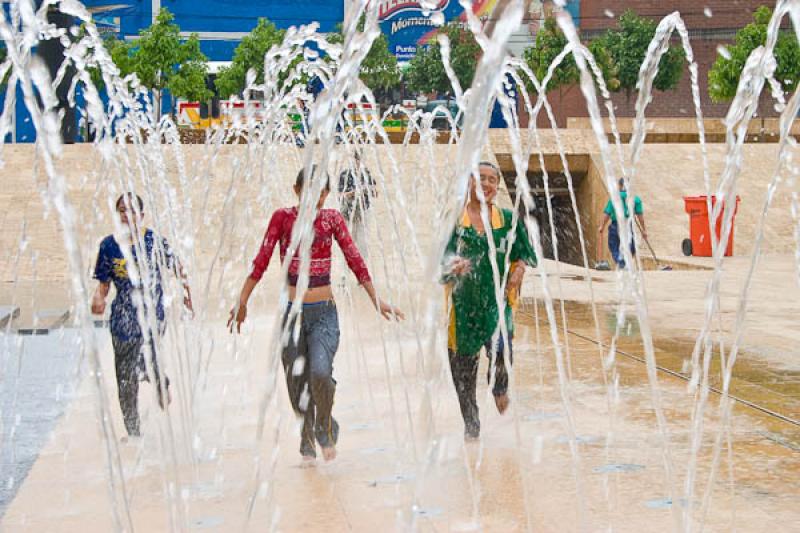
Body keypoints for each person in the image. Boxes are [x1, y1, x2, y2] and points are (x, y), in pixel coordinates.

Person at [227, 168, 404, 463]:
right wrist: (242, 300)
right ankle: (306, 434)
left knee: (320, 373)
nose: (316, 196)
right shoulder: (282, 218)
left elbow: (354, 257)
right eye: (309, 189)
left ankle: (324, 425)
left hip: (324, 314)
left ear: (326, 194)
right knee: (297, 384)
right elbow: (261, 259)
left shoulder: (332, 219)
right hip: (292, 316)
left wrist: (377, 300)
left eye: (321, 191)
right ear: (296, 190)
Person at [442, 162, 537, 440]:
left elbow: (523, 253)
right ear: (469, 182)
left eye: (492, 180)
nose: (486, 184)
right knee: (463, 377)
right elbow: (438, 262)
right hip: (461, 309)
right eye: (480, 178)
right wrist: (451, 266)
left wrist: (518, 271)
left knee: (503, 348)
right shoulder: (454, 222)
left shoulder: (508, 219)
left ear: (497, 186)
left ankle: (499, 387)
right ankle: (472, 428)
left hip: (496, 304)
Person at [91, 193, 193, 439]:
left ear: (141, 215)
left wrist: (187, 294)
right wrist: (99, 298)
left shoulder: (153, 241)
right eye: (122, 211)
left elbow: (178, 268)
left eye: (132, 210)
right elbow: (104, 283)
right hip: (122, 321)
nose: (127, 215)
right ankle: (134, 433)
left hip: (152, 317)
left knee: (147, 358)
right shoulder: (108, 246)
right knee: (125, 381)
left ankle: (160, 380)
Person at [597, 178, 646, 270]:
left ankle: (621, 263)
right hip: (628, 224)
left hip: (616, 224)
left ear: (619, 186)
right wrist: (644, 230)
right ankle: (626, 262)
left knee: (614, 245)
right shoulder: (635, 199)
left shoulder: (615, 198)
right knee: (630, 244)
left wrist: (602, 226)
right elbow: (640, 217)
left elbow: (607, 213)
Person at [338, 149, 377, 258]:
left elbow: (375, 193)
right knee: (349, 238)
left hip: (363, 212)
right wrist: (354, 192)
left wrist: (368, 189)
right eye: (357, 160)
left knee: (362, 240)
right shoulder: (345, 175)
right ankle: (346, 266)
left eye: (360, 160)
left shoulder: (367, 174)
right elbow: (340, 195)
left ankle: (362, 263)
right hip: (348, 212)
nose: (359, 162)